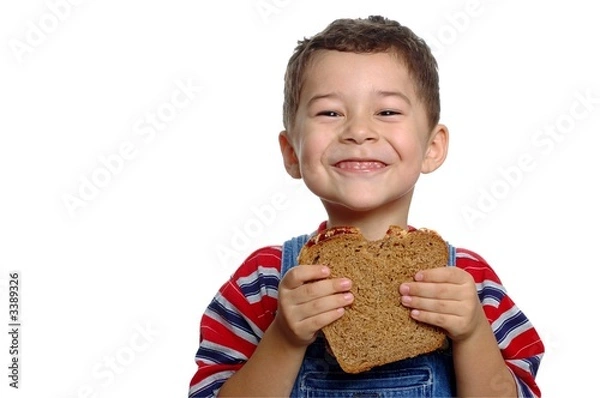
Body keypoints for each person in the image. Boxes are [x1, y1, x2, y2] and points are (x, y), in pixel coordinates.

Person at [188, 15, 544, 397]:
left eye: (387, 112)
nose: (358, 131)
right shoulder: (260, 282)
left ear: (432, 147)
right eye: (330, 113)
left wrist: (473, 332)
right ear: (292, 152)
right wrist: (285, 339)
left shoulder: (470, 281)